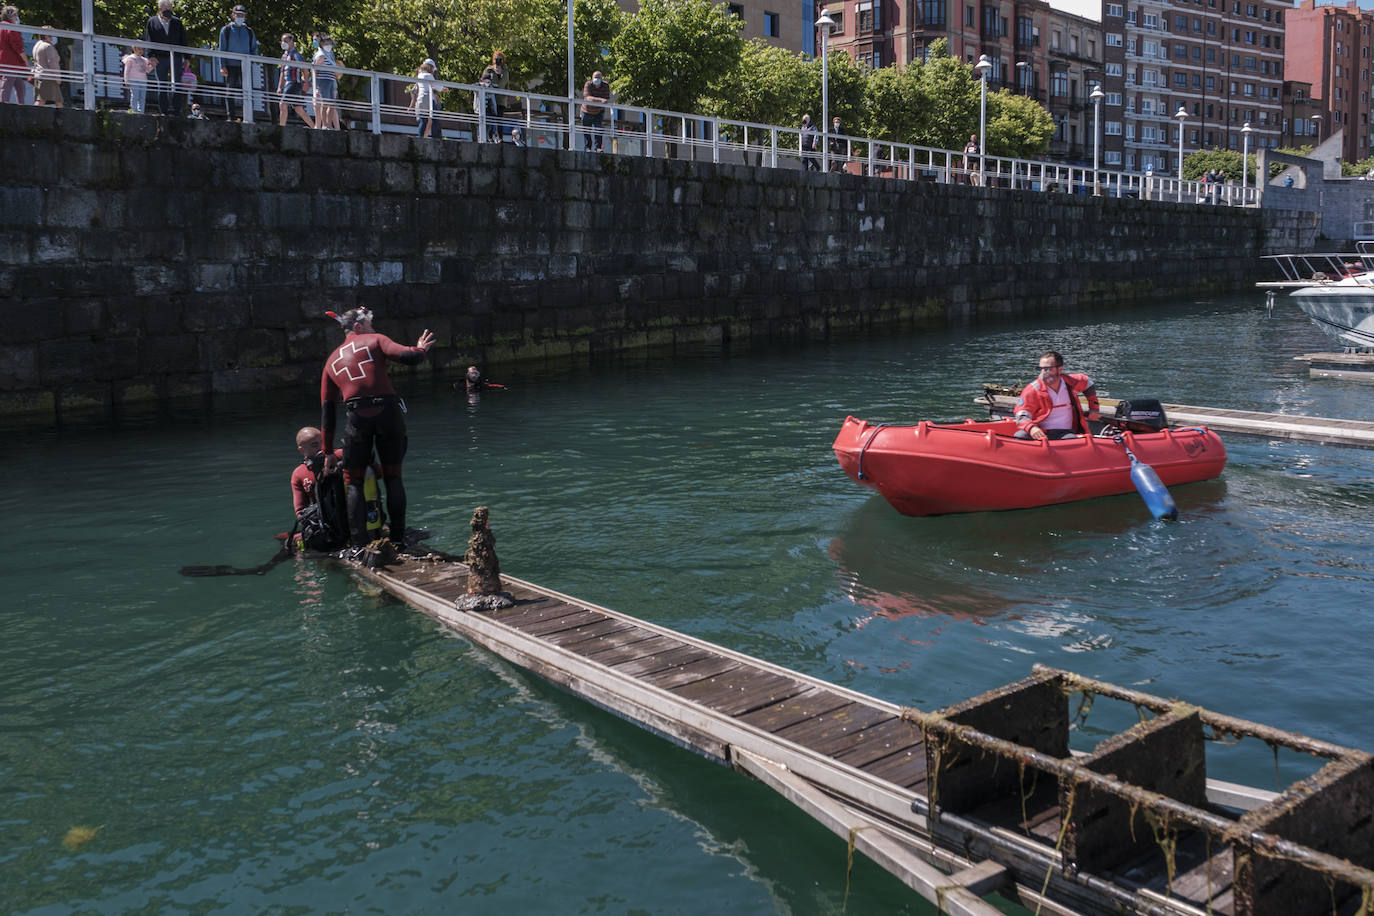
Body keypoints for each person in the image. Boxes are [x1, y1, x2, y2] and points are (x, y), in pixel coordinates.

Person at [320, 308, 436, 551]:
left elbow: (328, 411)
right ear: (359, 327)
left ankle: (358, 545)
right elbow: (409, 357)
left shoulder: (331, 361)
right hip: (387, 413)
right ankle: (397, 539)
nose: (373, 328)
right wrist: (421, 348)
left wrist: (328, 450)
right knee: (393, 476)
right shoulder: (376, 340)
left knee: (353, 482)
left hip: (356, 418)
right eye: (370, 324)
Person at [1014, 350, 1100, 441]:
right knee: (1020, 436)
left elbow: (1088, 384)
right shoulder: (1032, 389)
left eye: (1048, 369)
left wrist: (1094, 408)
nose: (1043, 373)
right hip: (1042, 432)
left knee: (1070, 441)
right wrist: (1031, 428)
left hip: (1066, 432)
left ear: (1060, 369)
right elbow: (1021, 415)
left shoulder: (1070, 382)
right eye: (1040, 369)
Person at [142, 0, 186, 115]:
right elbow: (149, 39)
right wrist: (151, 56)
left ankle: (176, 110)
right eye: (166, 8)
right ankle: (163, 111)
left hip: (175, 57)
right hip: (159, 58)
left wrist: (187, 58)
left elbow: (183, 40)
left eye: (170, 8)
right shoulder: (152, 21)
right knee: (162, 84)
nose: (169, 10)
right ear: (160, 9)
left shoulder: (177, 22)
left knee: (177, 83)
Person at [217, 4, 257, 121]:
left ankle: (248, 116)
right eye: (238, 14)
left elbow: (254, 48)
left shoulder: (249, 31)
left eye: (242, 15)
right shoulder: (226, 30)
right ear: (233, 15)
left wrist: (252, 62)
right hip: (230, 66)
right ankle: (231, 116)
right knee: (230, 91)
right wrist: (222, 66)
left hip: (245, 66)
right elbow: (222, 49)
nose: (240, 17)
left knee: (248, 91)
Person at [276, 32, 312, 127]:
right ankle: (315, 127)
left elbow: (305, 69)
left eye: (286, 41)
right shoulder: (284, 56)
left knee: (283, 104)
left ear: (292, 42)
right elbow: (282, 72)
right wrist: (280, 86)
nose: (284, 43)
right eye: (282, 41)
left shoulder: (296, 55)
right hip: (288, 83)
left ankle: (281, 128)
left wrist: (307, 83)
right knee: (298, 109)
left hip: (294, 83)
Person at [1, 6, 30, 105]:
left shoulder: (1, 27)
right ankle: (3, 109)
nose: (17, 18)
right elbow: (18, 47)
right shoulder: (11, 28)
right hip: (11, 63)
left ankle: (21, 108)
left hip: (5, 61)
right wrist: (26, 63)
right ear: (11, 16)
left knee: (20, 87)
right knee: (6, 87)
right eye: (16, 15)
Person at [311, 32, 338, 130]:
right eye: (326, 44)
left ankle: (329, 124)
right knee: (325, 103)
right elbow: (316, 69)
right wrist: (315, 83)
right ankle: (324, 124)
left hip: (331, 79)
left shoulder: (330, 54)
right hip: (323, 80)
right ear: (322, 44)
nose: (328, 46)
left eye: (330, 44)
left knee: (332, 104)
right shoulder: (321, 54)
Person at [410, 57, 442, 138]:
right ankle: (435, 138)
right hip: (429, 100)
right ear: (430, 67)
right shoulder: (429, 75)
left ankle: (420, 137)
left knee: (423, 120)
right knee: (434, 119)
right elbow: (435, 85)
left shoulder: (419, 75)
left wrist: (411, 106)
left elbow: (422, 87)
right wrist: (442, 88)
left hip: (421, 100)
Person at [580, 69, 610, 152]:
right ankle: (587, 148)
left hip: (598, 112)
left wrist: (599, 101)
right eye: (595, 77)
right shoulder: (588, 84)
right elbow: (587, 98)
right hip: (586, 111)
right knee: (586, 131)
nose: (597, 79)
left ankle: (598, 148)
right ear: (592, 78)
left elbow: (606, 99)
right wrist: (600, 100)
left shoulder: (605, 86)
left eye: (599, 77)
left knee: (599, 130)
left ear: (602, 78)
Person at [121, 45, 156, 113]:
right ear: (134, 49)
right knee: (135, 96)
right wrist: (126, 80)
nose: (140, 51)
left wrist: (152, 66)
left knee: (142, 97)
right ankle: (134, 110)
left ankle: (141, 111)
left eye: (142, 49)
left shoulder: (144, 60)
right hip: (133, 80)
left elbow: (147, 70)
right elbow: (126, 70)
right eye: (139, 49)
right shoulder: (130, 58)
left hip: (143, 80)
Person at [30, 27, 58, 107]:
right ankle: (32, 117)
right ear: (46, 35)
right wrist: (57, 77)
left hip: (40, 75)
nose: (53, 37)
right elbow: (52, 63)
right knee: (42, 100)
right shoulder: (47, 46)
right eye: (51, 35)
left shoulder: (37, 45)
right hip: (48, 77)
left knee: (45, 100)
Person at [474, 68, 498, 141]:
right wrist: (481, 85)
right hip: (480, 111)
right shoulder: (478, 86)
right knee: (480, 127)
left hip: (489, 111)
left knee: (488, 127)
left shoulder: (491, 87)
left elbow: (497, 86)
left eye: (489, 81)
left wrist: (489, 86)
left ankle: (486, 139)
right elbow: (473, 86)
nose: (487, 82)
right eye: (486, 81)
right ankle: (480, 140)